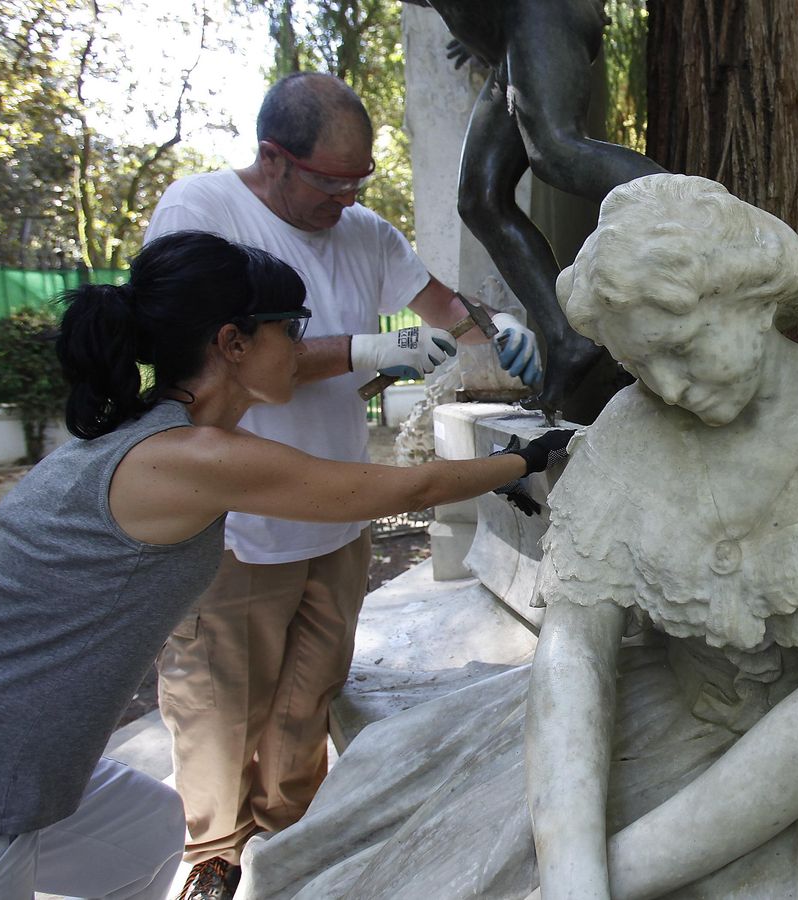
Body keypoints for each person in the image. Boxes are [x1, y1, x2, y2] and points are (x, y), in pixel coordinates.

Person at [239, 173, 798, 899]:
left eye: (681, 348)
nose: (669, 387)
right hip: (647, 715)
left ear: (752, 299)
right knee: (391, 821)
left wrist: (609, 876)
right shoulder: (634, 425)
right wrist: (570, 873)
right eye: (637, 364)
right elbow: (574, 653)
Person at [0, 232, 569, 900]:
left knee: (146, 832)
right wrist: (528, 458)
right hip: (5, 775)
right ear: (233, 343)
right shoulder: (186, 457)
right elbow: (402, 489)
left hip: (35, 762)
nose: (302, 348)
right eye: (292, 329)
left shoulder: (167, 440)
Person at [138, 72, 544, 900]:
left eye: (361, 179)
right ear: (273, 158)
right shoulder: (202, 213)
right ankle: (214, 860)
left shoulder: (364, 232)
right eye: (332, 182)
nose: (349, 199)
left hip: (333, 528)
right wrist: (370, 351)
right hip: (232, 529)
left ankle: (290, 854)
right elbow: (218, 361)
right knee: (220, 713)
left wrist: (497, 328)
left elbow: (444, 310)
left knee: (306, 708)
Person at [404, 0, 667, 418]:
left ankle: (688, 208)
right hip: (509, 39)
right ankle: (567, 336)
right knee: (479, 199)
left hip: (539, 13)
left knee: (556, 150)